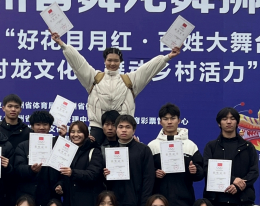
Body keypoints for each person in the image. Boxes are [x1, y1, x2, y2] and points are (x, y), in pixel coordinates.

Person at [50, 31, 180, 144]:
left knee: (123, 159)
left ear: (120, 62)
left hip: (122, 128)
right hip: (97, 127)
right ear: (104, 61)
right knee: (92, 154)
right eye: (109, 60)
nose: (112, 63)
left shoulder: (129, 80)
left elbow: (148, 70)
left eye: (116, 60)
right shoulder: (94, 78)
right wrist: (63, 45)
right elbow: (78, 63)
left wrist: (167, 57)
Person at [202, 107, 259, 206]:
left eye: (232, 119)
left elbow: (254, 172)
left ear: (237, 122)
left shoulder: (248, 147)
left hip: (242, 199)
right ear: (219, 123)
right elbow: (208, 169)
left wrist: (238, 186)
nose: (229, 122)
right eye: (225, 119)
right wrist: (233, 180)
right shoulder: (211, 146)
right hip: (218, 200)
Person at [147, 103, 205, 206]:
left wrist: (194, 170)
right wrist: (154, 173)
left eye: (172, 118)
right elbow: (145, 173)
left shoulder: (190, 145)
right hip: (159, 201)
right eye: (165, 119)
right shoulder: (152, 146)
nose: (169, 122)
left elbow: (201, 172)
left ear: (179, 120)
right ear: (160, 122)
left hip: (184, 202)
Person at [103, 114, 155, 206]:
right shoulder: (110, 151)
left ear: (134, 130)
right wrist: (106, 175)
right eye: (121, 127)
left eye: (128, 127)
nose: (124, 130)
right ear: (116, 129)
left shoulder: (143, 150)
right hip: (115, 205)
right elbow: (106, 183)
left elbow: (148, 178)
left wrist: (144, 204)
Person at [55, 120, 105, 206]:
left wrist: (73, 173)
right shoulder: (67, 151)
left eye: (79, 132)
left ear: (86, 134)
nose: (75, 135)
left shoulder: (94, 151)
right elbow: (62, 175)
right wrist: (60, 185)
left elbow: (93, 174)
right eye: (72, 132)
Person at [14, 110, 61, 206]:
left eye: (45, 124)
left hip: (50, 198)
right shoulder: (23, 146)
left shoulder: (57, 146)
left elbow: (63, 171)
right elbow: (18, 168)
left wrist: (61, 184)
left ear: (50, 127)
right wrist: (30, 170)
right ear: (32, 126)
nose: (42, 127)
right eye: (38, 124)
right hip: (28, 198)